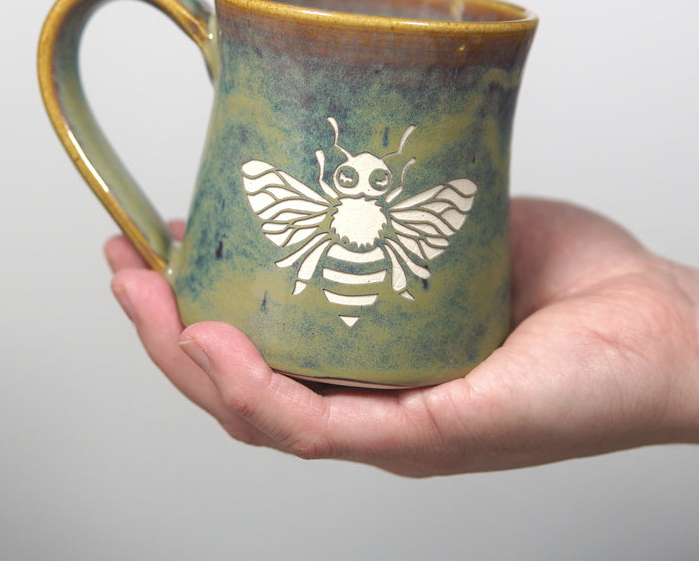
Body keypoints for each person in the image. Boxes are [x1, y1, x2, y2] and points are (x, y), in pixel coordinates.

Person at [105, 198, 699, 477]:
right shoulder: (413, 214)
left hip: (296, 280)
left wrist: (675, 333)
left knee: (317, 256)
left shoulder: (304, 204)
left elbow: (301, 238)